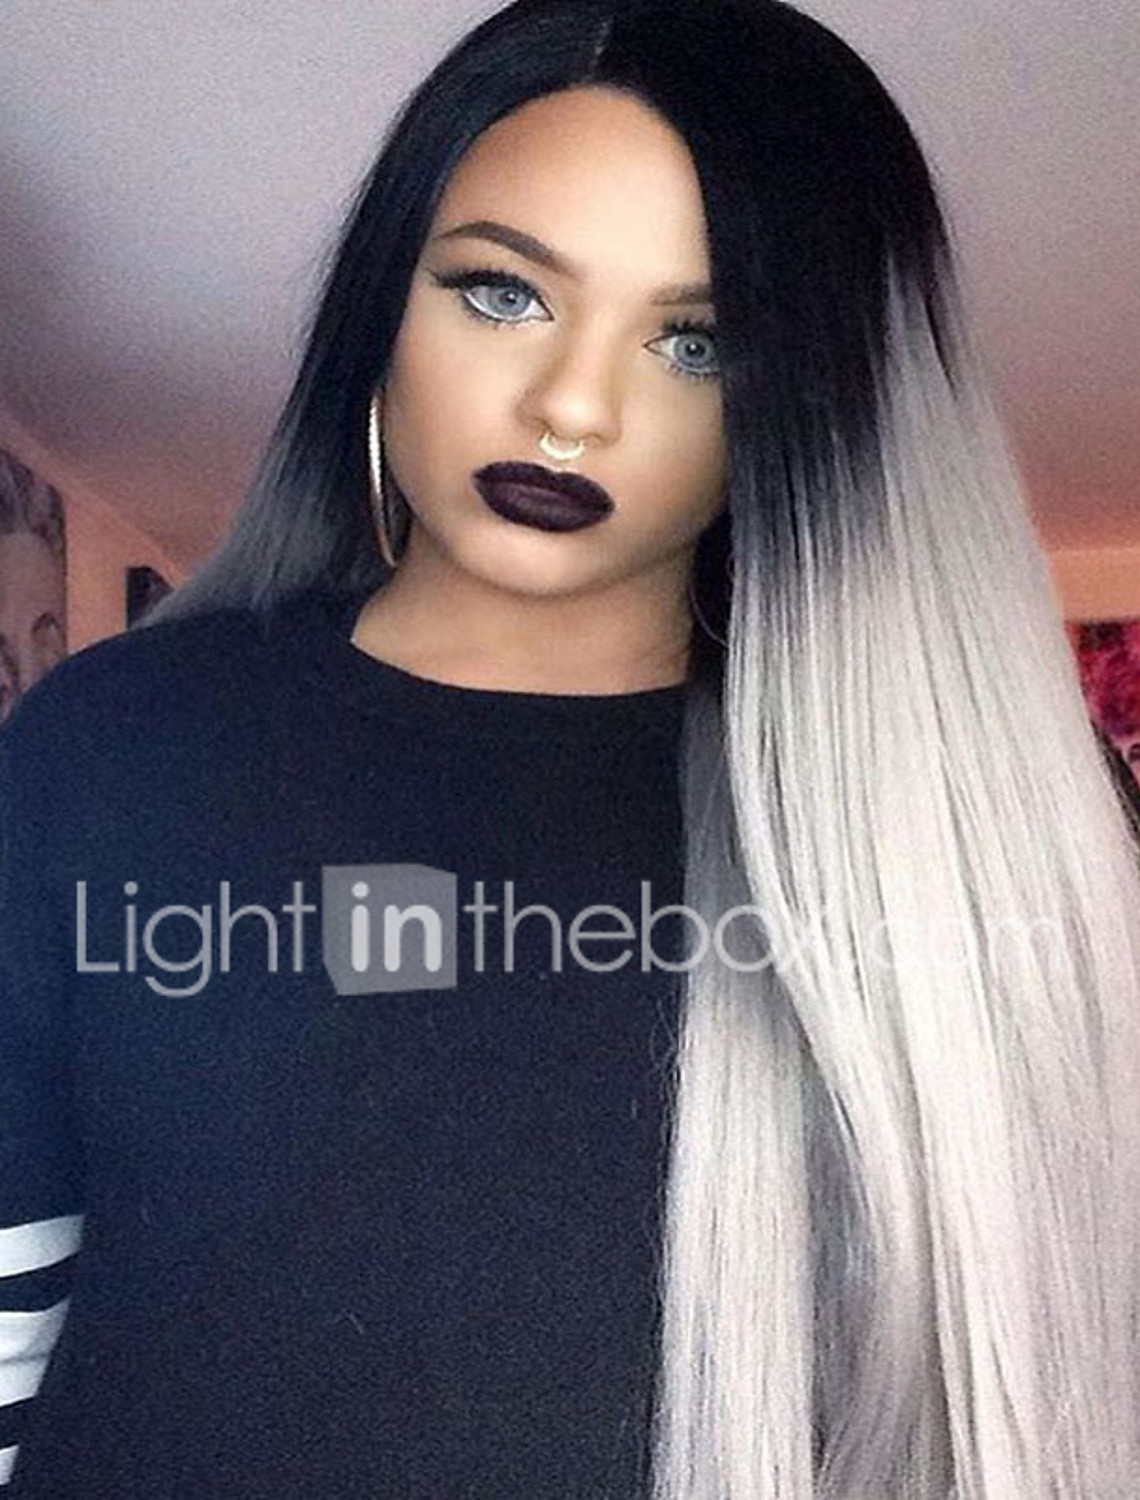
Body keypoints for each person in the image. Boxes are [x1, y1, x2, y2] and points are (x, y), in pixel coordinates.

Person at [2, 1, 1139, 1495]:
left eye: (696, 341)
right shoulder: (117, 749)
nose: (573, 408)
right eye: (502, 293)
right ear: (381, 301)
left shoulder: (974, 841)